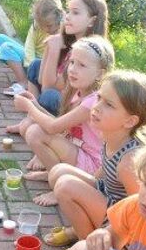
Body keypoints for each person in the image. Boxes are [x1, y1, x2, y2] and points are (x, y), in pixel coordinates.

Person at [45, 70, 146, 250]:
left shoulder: (129, 160)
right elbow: (103, 170)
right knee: (59, 172)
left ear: (130, 121)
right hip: (108, 199)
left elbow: (140, 211)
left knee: (65, 187)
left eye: (109, 104)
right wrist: (86, 187)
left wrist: (109, 231)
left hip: (122, 223)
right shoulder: (112, 135)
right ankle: (79, 232)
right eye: (99, 98)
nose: (96, 107)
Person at [12, 36, 115, 206]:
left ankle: (59, 187)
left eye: (82, 65)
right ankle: (52, 173)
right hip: (78, 150)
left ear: (100, 73)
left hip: (92, 166)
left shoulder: (93, 101)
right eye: (72, 62)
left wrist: (29, 107)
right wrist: (35, 105)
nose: (73, 69)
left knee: (36, 132)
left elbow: (53, 127)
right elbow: (60, 125)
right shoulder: (78, 92)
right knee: (32, 125)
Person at [6, 0, 108, 123]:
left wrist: (54, 50)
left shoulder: (85, 53)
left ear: (92, 21)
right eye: (68, 11)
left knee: (49, 96)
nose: (68, 17)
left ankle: (37, 120)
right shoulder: (71, 43)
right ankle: (31, 118)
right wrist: (50, 45)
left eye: (75, 12)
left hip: (74, 110)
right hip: (61, 98)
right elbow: (41, 79)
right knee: (35, 65)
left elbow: (47, 87)